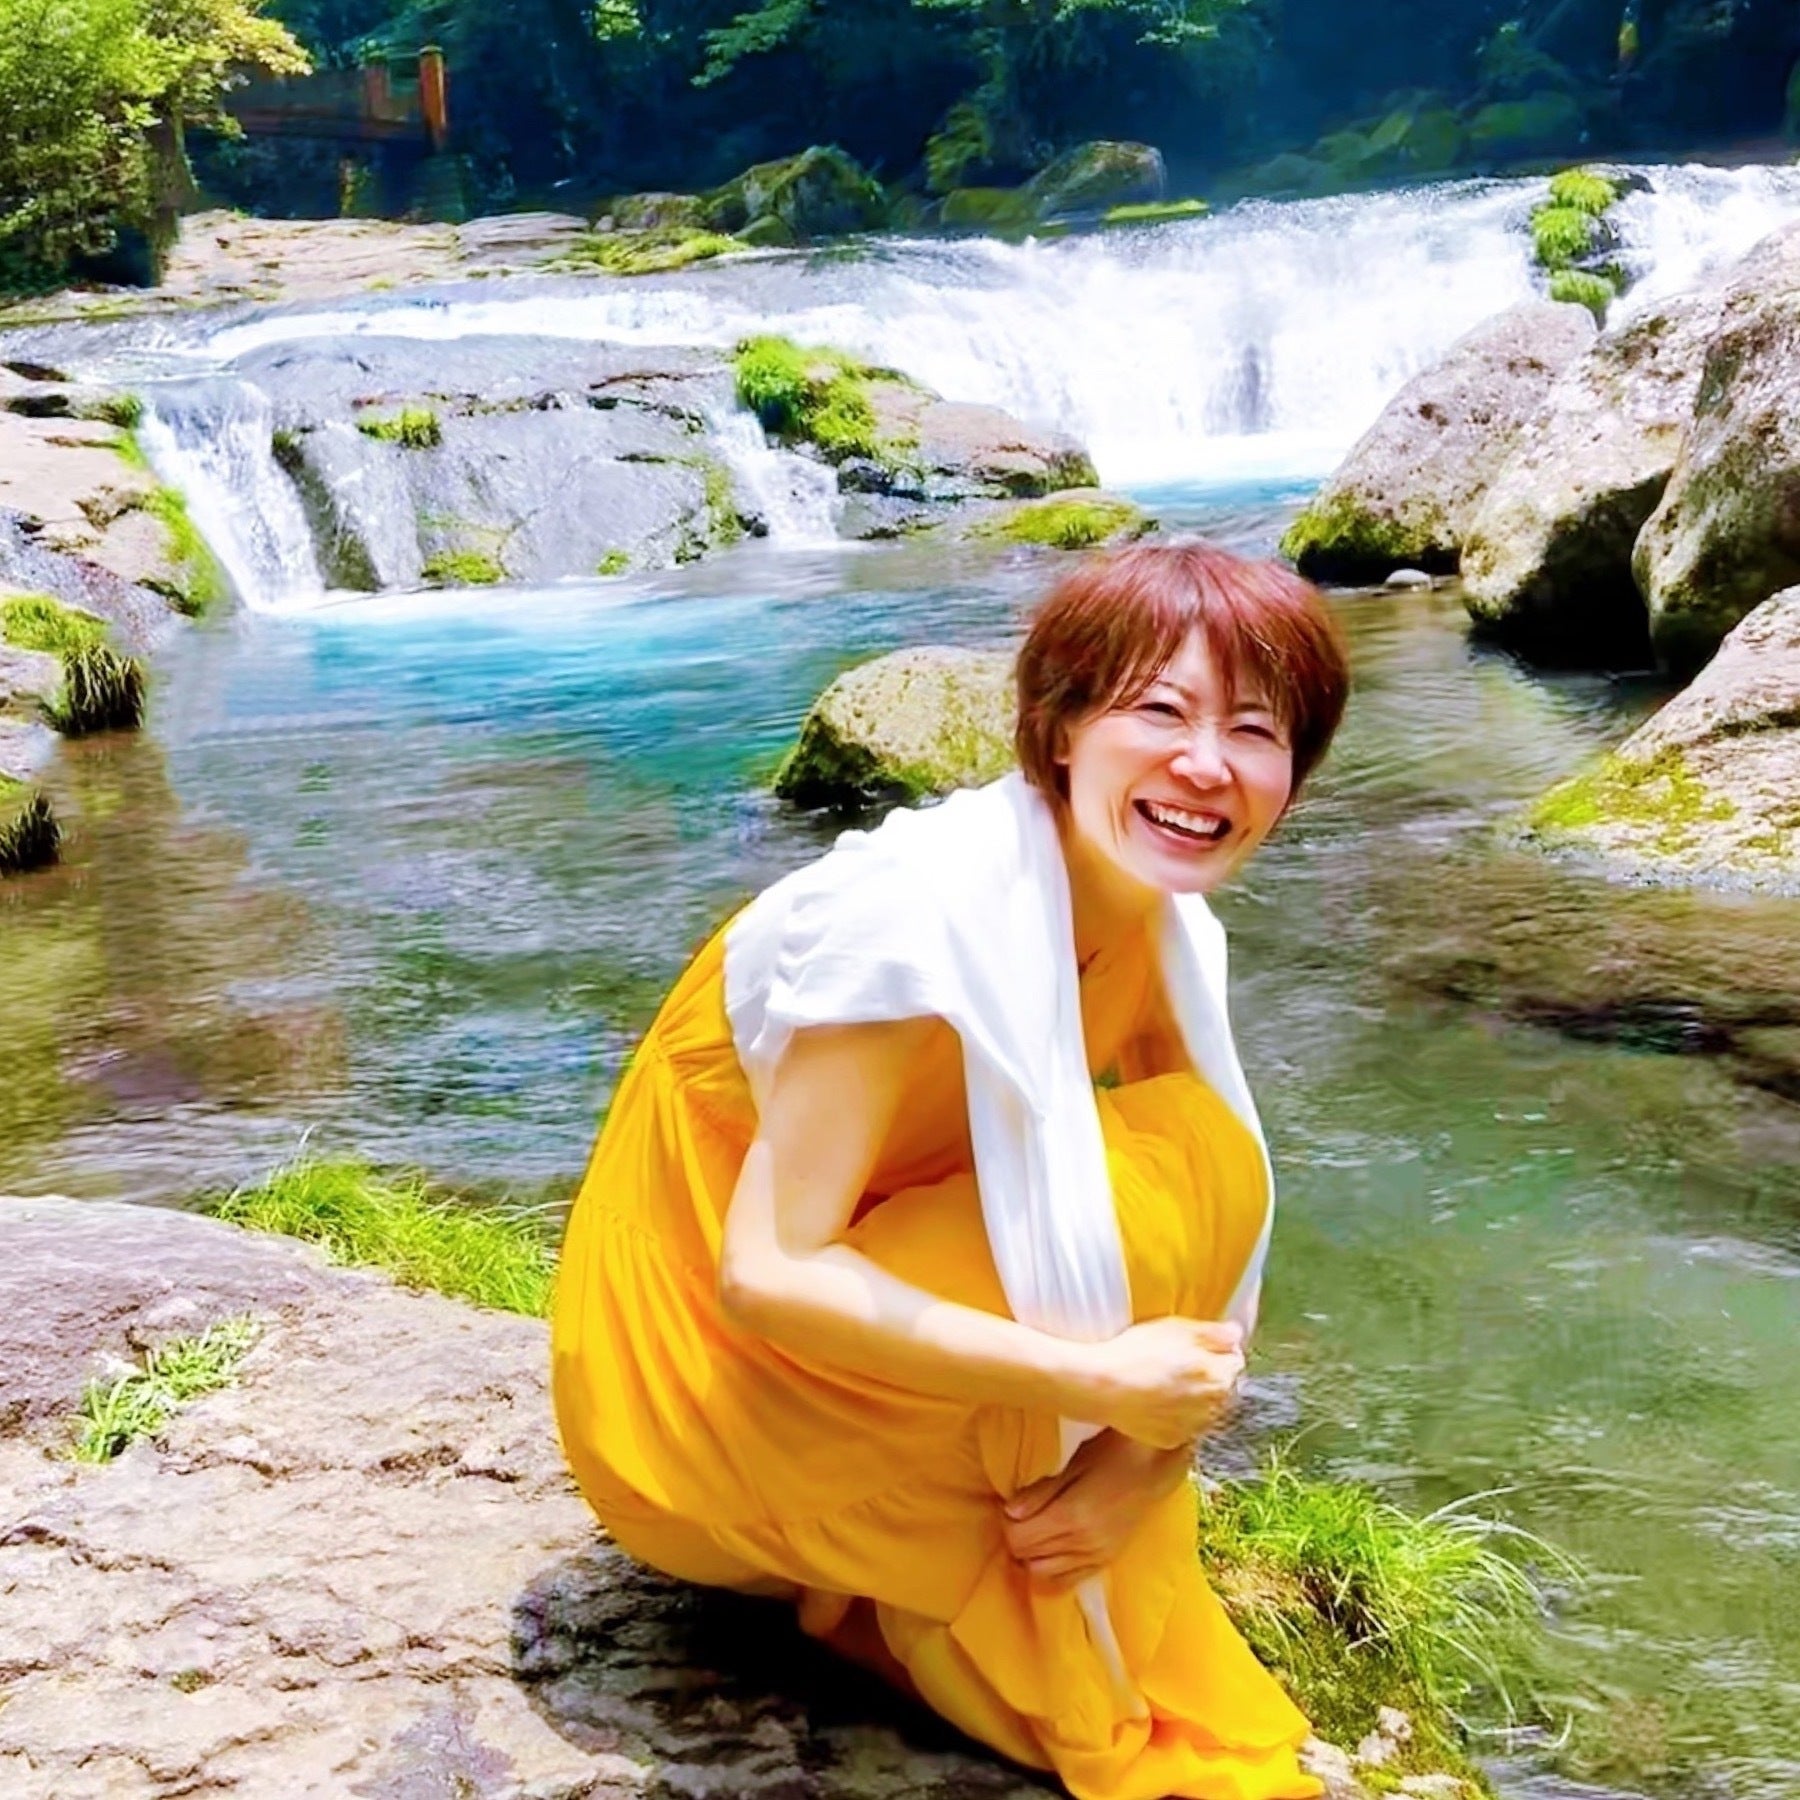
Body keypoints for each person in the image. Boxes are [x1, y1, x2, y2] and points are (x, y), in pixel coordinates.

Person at [552, 541, 1351, 1800]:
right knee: (1119, 1215)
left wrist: (1144, 1457)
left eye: (1255, 730)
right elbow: (766, 1274)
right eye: (1160, 711)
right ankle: (917, 1577)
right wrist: (1097, 1383)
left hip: (855, 1339)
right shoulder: (911, 918)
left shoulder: (1156, 918)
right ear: (1060, 729)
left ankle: (916, 1565)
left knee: (1203, 1160)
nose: (1207, 765)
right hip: (690, 1403)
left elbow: (1216, 1229)